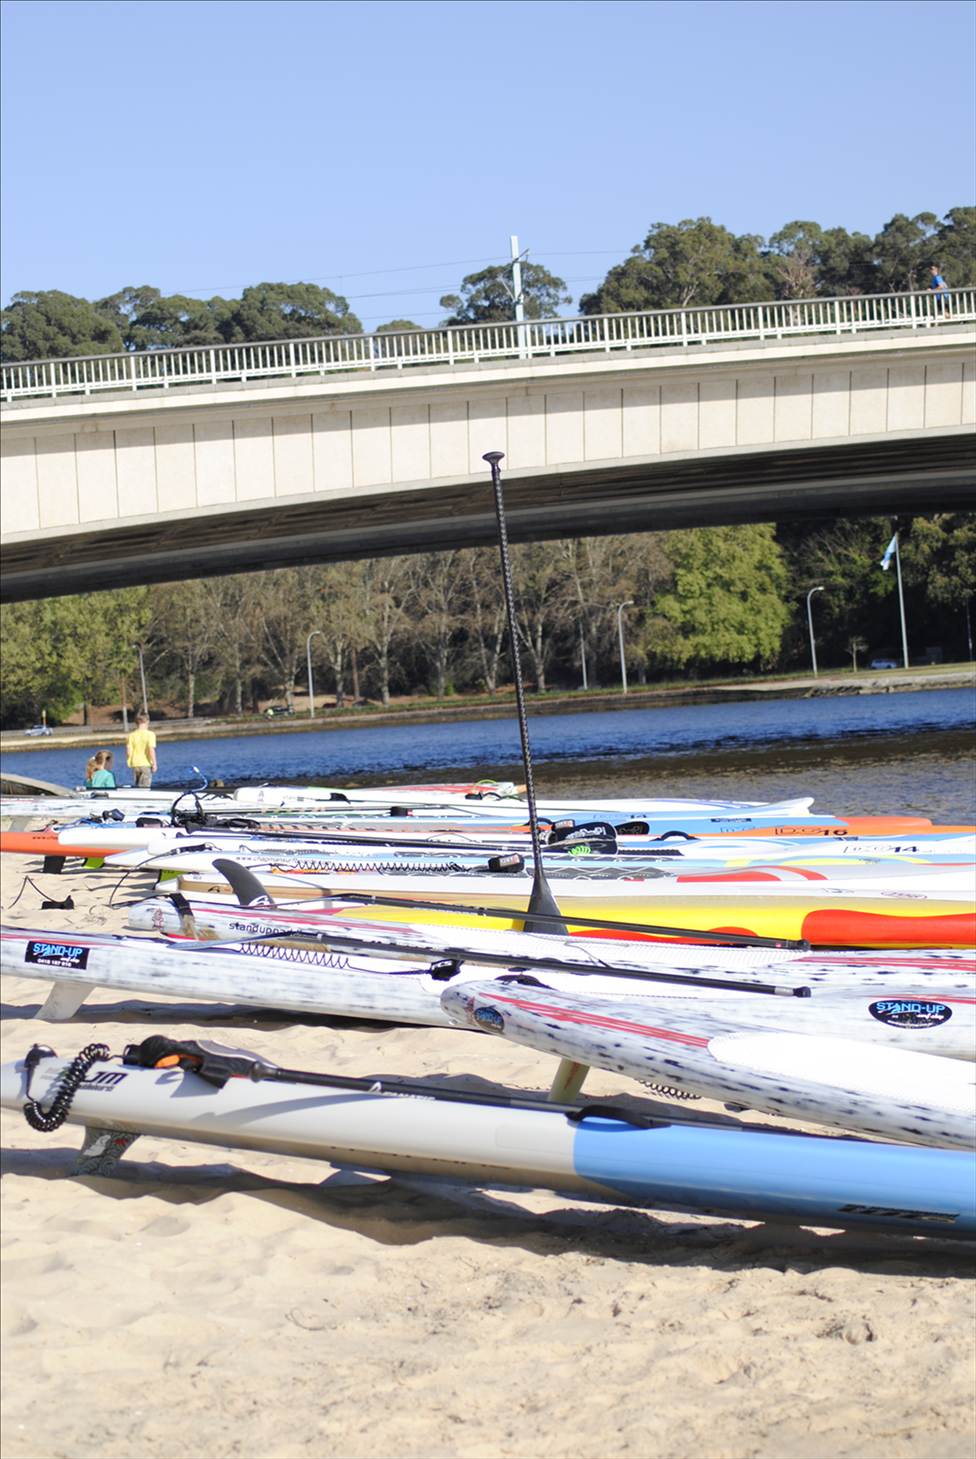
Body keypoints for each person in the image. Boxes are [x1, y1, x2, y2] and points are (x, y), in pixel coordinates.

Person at [126, 712, 157, 788]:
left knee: (137, 786)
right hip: (145, 764)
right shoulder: (150, 734)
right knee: (145, 787)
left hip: (135, 764)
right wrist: (154, 764)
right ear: (147, 721)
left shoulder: (131, 735)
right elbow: (151, 750)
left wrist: (129, 761)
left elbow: (128, 752)